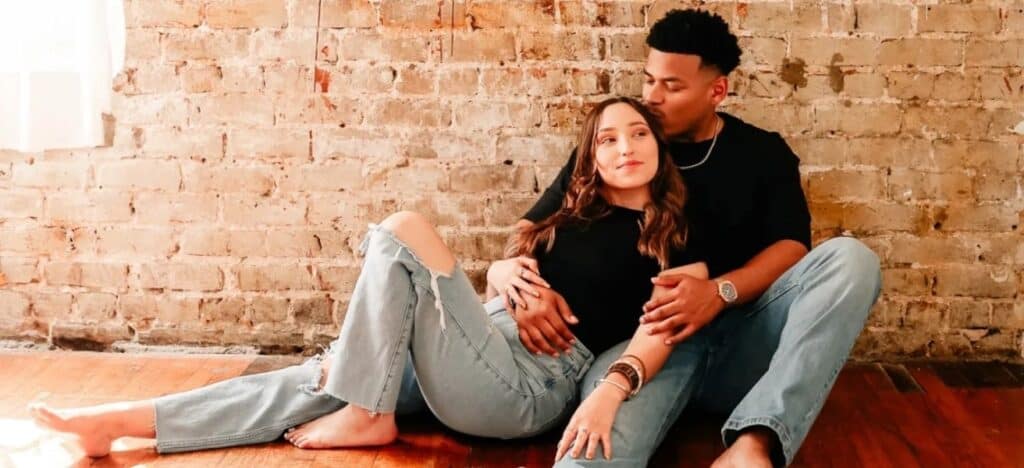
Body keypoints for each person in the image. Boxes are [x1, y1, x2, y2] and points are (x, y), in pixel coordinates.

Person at [29, 97, 708, 463]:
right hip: (477, 341)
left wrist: (611, 393)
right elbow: (506, 265)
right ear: (592, 155)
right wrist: (506, 272)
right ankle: (110, 425)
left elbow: (660, 334)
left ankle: (368, 410)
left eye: (637, 135)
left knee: (402, 228)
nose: (624, 147)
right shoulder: (570, 211)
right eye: (608, 139)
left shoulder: (675, 236)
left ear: (658, 146)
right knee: (298, 384)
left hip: (528, 384)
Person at [488, 9, 882, 467]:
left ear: (717, 91)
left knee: (852, 259)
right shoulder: (622, 143)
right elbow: (531, 227)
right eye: (648, 79)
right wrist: (519, 285)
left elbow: (793, 248)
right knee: (592, 457)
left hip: (739, 340)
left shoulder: (761, 153)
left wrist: (719, 292)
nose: (652, 98)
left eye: (671, 86)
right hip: (647, 345)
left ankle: (755, 443)